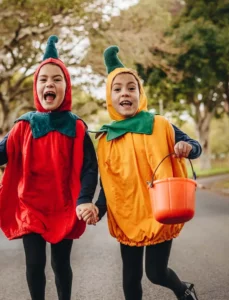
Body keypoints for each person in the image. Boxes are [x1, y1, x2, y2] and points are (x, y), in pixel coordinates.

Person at [86, 45, 201, 300]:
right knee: (130, 277)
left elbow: (196, 146)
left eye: (131, 87)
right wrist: (99, 208)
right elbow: (109, 183)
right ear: (109, 96)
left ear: (141, 93)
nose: (124, 93)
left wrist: (187, 147)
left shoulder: (159, 124)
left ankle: (183, 290)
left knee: (155, 273)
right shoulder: (106, 137)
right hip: (128, 214)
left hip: (160, 210)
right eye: (117, 89)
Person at [0, 35, 99, 300]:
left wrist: (85, 199)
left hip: (63, 206)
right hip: (30, 205)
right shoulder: (24, 125)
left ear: (66, 87)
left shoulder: (76, 126)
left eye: (57, 79)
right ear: (36, 87)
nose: (49, 84)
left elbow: (90, 168)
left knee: (60, 263)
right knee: (34, 264)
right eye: (43, 79)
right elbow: (2, 153)